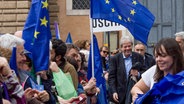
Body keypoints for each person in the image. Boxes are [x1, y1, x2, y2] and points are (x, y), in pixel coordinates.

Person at [131, 38, 184, 103]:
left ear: (175, 55)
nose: (158, 59)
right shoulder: (154, 70)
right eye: (156, 56)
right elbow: (135, 88)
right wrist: (142, 99)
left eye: (163, 55)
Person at [108, 35, 144, 104]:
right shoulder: (115, 59)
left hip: (135, 93)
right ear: (121, 48)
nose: (127, 48)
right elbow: (111, 77)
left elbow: (145, 72)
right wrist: (114, 91)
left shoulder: (138, 57)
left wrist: (138, 74)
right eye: (125, 47)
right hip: (119, 95)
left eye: (129, 46)